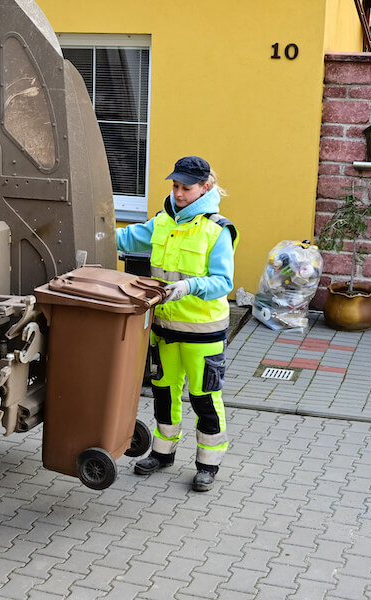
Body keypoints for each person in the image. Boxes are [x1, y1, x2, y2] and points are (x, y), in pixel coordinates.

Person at [116, 156, 237, 492]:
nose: (179, 193)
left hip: (203, 332)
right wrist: (90, 231)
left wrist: (189, 287)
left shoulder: (217, 229)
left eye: (186, 187)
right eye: (175, 186)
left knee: (204, 398)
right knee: (164, 394)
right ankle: (163, 453)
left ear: (205, 187)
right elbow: (126, 239)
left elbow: (223, 282)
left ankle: (208, 464)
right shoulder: (162, 222)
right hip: (164, 328)